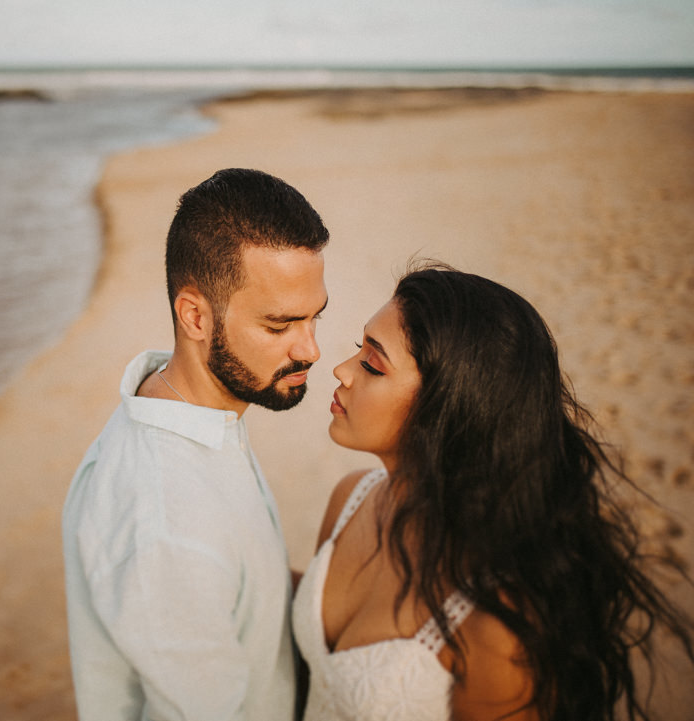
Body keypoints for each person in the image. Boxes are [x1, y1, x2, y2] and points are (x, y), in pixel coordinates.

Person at [292, 263, 694, 721]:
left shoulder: (495, 618)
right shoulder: (350, 499)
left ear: (449, 404)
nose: (341, 371)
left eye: (372, 364)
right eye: (357, 350)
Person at [62, 168, 330, 720]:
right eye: (279, 326)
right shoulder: (167, 522)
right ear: (195, 317)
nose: (310, 350)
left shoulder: (198, 411)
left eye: (314, 317)